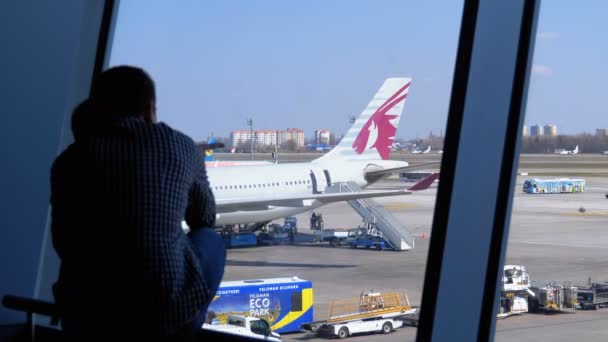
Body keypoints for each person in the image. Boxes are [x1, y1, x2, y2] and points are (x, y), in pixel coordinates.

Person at [51, 65, 224, 339]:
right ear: (149, 108)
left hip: (85, 316)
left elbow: (62, 240)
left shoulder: (68, 160)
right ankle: (187, 319)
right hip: (163, 316)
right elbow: (204, 219)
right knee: (210, 239)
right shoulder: (181, 146)